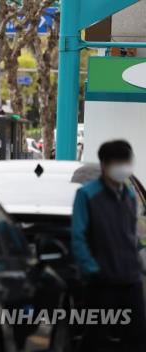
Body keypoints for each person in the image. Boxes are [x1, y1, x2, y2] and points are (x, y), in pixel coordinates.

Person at [72, 140, 146, 351]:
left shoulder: (130, 195)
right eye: (119, 162)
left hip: (130, 279)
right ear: (104, 165)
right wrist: (93, 270)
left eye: (126, 161)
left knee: (138, 336)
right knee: (96, 338)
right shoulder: (87, 195)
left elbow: (130, 234)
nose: (124, 166)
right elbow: (78, 237)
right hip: (102, 282)